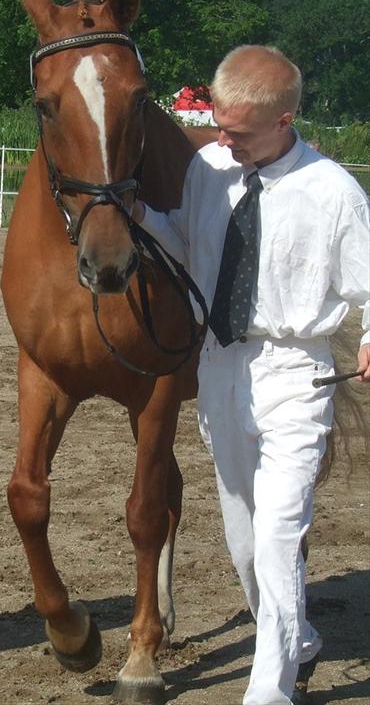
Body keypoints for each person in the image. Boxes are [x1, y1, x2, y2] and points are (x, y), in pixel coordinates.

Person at [134, 45, 369, 705]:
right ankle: (294, 638)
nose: (222, 139)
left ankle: (270, 691)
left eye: (237, 131)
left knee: (276, 533)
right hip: (219, 368)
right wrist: (136, 217)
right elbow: (187, 239)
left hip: (296, 372)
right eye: (219, 123)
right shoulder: (209, 167)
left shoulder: (334, 192)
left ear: (284, 118)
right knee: (243, 538)